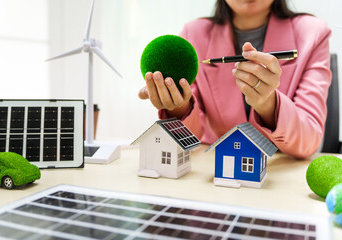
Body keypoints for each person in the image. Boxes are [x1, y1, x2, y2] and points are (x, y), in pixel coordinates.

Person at [138, 0, 332, 159]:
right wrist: (177, 106)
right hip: (215, 173)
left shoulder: (313, 33)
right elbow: (191, 138)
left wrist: (268, 104)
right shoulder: (194, 34)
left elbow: (309, 141)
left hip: (280, 180)